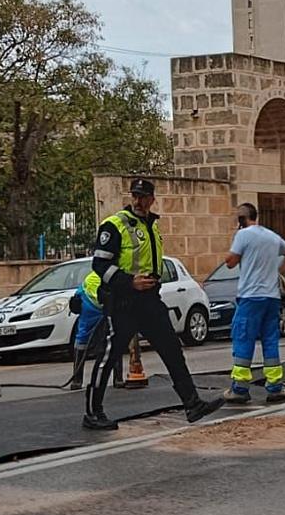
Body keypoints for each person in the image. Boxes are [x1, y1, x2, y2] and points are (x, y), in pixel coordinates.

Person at [83, 177, 220, 431]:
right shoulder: (114, 225)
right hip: (124, 301)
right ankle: (93, 412)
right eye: (134, 196)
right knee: (109, 357)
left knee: (172, 350)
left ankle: (192, 403)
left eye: (143, 196)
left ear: (151, 199)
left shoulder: (151, 225)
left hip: (149, 300)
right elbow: (99, 265)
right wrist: (129, 282)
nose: (138, 201)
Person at [221, 202, 285, 405]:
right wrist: (278, 272)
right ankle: (275, 387)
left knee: (243, 337)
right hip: (272, 297)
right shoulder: (271, 236)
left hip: (251, 296)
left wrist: (231, 250)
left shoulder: (243, 235)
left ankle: (239, 388)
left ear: (241, 220)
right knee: (270, 340)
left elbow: (230, 262)